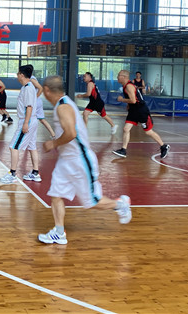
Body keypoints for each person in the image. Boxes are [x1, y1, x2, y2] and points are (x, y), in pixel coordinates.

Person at [37, 75, 132, 245]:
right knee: (56, 194)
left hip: (79, 161)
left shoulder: (63, 107)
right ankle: (59, 233)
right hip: (66, 160)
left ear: (47, 90)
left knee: (92, 202)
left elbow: (71, 133)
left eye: (44, 91)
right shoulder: (62, 104)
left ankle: (120, 204)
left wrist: (53, 143)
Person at [112, 70, 170, 159]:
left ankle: (163, 146)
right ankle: (123, 150)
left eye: (118, 75)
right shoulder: (125, 86)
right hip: (133, 110)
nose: (117, 77)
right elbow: (133, 98)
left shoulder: (129, 86)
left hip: (141, 110)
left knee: (148, 131)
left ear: (124, 77)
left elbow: (133, 100)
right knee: (126, 129)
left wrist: (122, 100)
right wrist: (128, 105)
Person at [0, 65, 40, 183]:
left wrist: (26, 123)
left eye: (18, 73)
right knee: (32, 147)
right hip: (31, 120)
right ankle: (35, 173)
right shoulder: (27, 87)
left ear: (22, 75)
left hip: (28, 120)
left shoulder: (28, 88)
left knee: (13, 147)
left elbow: (29, 107)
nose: (17, 75)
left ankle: (12, 174)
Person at [24, 65, 55, 138]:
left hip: (36, 102)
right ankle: (53, 134)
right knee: (42, 119)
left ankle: (27, 135)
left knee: (29, 118)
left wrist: (35, 97)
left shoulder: (31, 79)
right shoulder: (30, 79)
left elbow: (40, 88)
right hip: (37, 102)